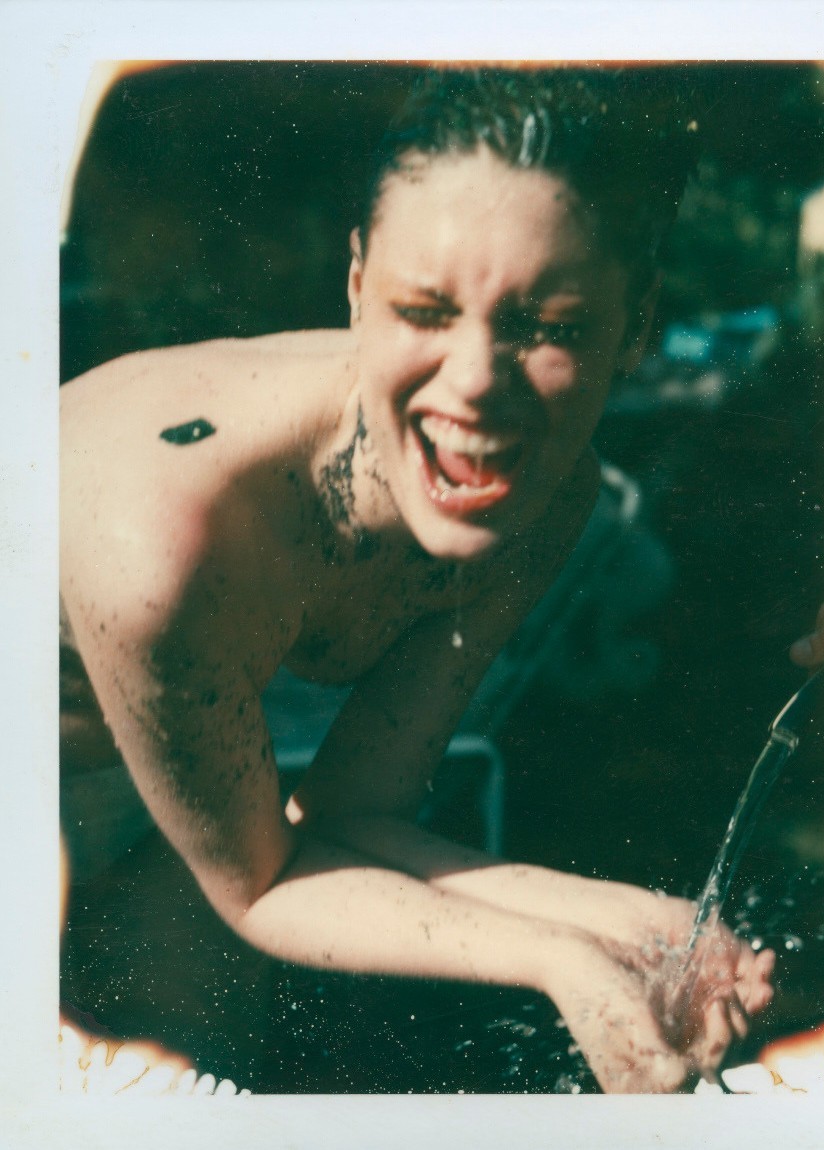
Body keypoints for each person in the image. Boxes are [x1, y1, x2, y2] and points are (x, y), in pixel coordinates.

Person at [61, 68, 779, 1094]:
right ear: (357, 286)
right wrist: (560, 964)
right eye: (424, 309)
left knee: (199, 1080)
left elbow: (347, 821)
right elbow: (263, 887)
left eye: (552, 325)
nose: (476, 380)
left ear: (636, 324)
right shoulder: (171, 531)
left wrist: (632, 927)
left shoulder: (544, 494)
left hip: (161, 791)